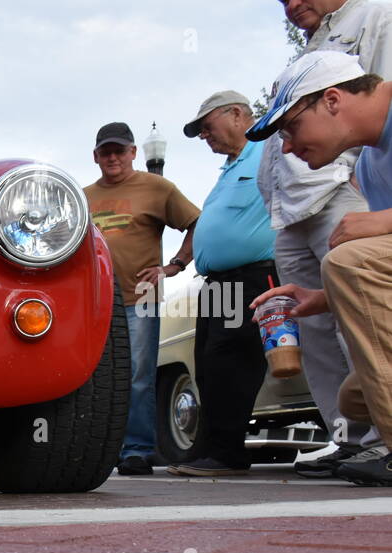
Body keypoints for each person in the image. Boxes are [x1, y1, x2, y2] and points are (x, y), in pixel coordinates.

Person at [258, 0, 392, 477]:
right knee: (353, 397)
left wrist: (384, 222)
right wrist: (318, 298)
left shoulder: (376, 15)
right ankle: (360, 439)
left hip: (338, 205)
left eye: (291, 128)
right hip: (304, 209)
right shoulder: (374, 164)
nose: (288, 147)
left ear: (333, 100)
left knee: (349, 263)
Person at [167, 92, 278, 477]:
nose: (204, 136)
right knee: (209, 364)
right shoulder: (229, 169)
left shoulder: (269, 150)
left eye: (206, 126)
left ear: (236, 114)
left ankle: (227, 453)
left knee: (232, 360)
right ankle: (216, 448)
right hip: (217, 283)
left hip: (251, 275)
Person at [84, 122, 200, 476]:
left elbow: (198, 223)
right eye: (106, 152)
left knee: (138, 375)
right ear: (96, 157)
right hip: (94, 302)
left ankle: (137, 449)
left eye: (120, 150)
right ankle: (100, 448)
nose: (113, 157)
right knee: (93, 376)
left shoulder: (157, 188)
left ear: (134, 152)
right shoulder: (82, 196)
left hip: (141, 297)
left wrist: (174, 265)